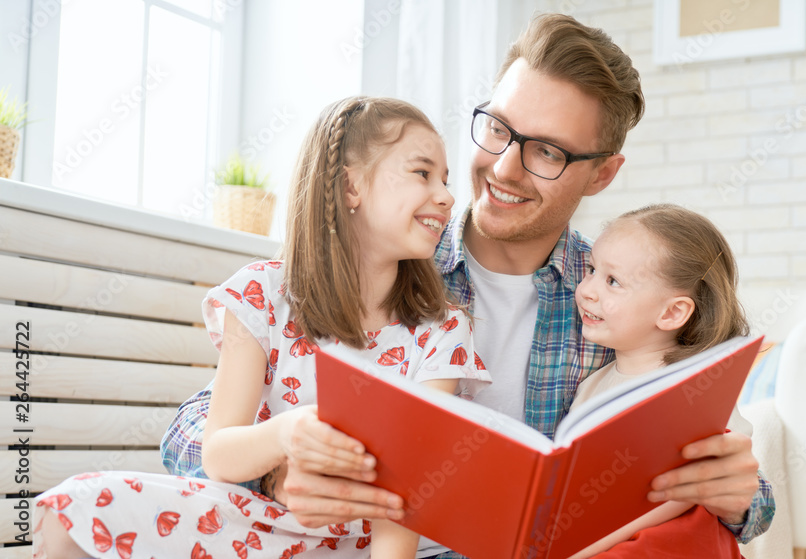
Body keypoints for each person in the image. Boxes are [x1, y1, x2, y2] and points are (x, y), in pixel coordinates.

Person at [161, 13, 775, 558]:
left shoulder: (616, 298)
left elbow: (747, 491)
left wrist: (738, 496)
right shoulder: (386, 259)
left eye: (548, 153)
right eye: (499, 129)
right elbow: (191, 432)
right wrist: (274, 470)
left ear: (603, 175)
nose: (504, 167)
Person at [33, 96, 491, 559]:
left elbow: (405, 498)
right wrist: (284, 435)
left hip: (366, 544)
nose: (447, 196)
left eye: (446, 180)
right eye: (422, 173)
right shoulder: (261, 293)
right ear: (351, 186)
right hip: (260, 520)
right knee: (71, 513)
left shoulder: (444, 328)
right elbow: (217, 453)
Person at [567, 203, 750, 558]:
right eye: (591, 270)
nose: (587, 290)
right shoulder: (592, 385)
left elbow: (681, 494)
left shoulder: (695, 391)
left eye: (613, 281)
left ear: (672, 312)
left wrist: (575, 548)